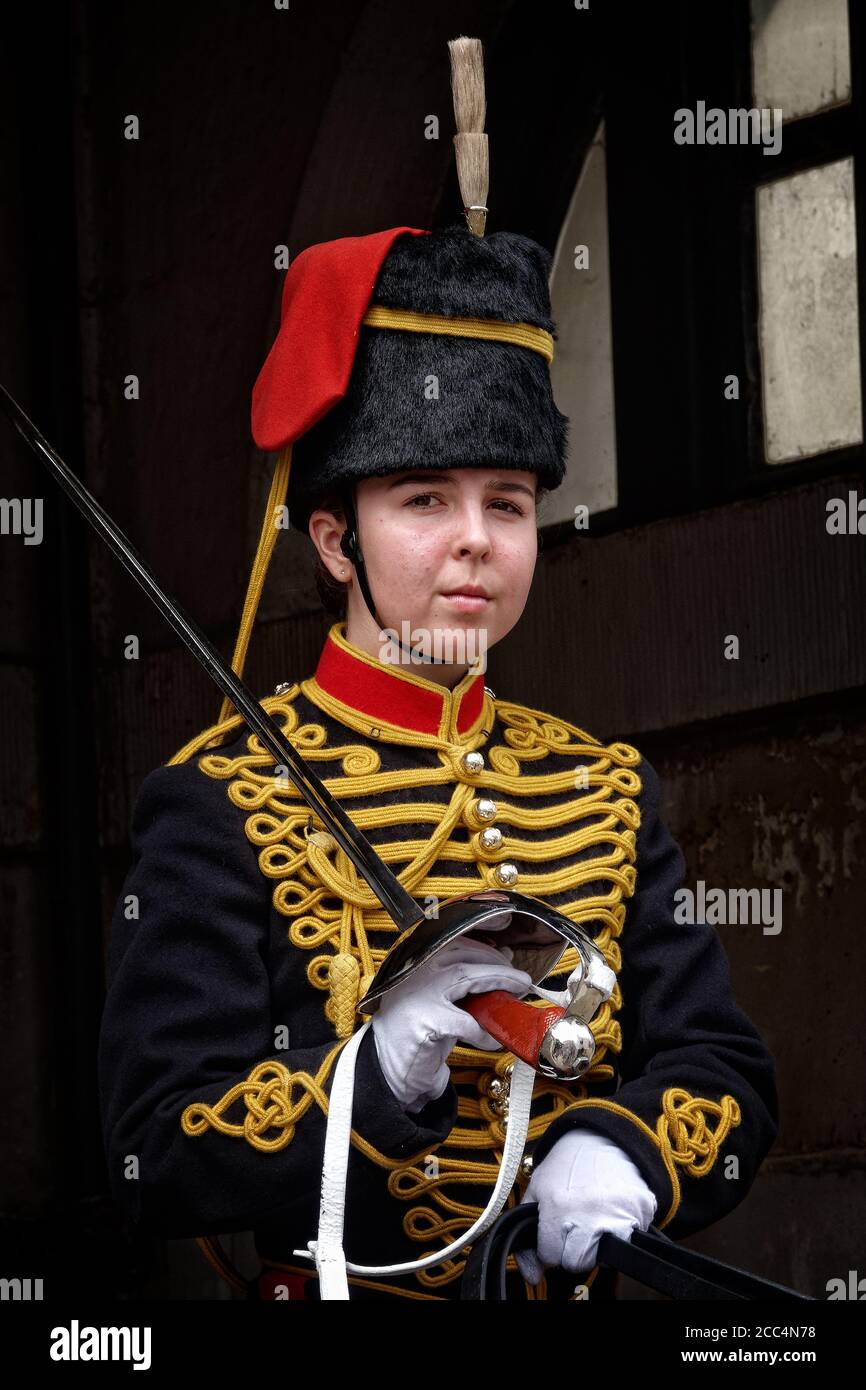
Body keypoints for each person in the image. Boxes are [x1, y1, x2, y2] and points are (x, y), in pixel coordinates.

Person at [97, 40, 778, 1302]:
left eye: (507, 502)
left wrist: (619, 1149)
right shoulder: (216, 799)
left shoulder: (608, 790)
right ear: (334, 540)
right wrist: (373, 1080)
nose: (475, 540)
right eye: (424, 499)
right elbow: (151, 1143)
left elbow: (720, 1071)